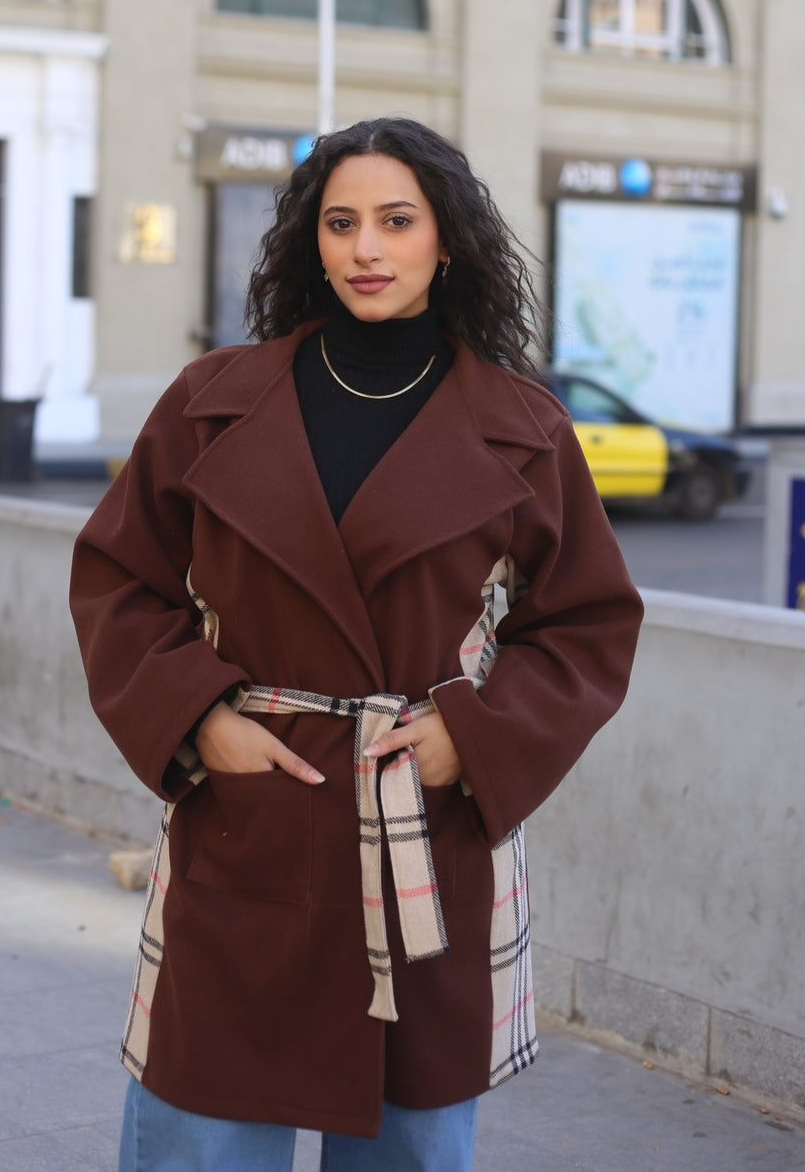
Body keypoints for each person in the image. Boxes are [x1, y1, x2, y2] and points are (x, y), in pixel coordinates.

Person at [69, 117, 643, 1172]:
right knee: (197, 1140)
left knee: (409, 1146)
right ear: (309, 243)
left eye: (395, 221)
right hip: (249, 819)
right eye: (339, 224)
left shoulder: (524, 428)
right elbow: (119, 577)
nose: (365, 250)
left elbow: (583, 625)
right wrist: (202, 719)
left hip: (422, 827)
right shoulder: (210, 404)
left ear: (448, 241)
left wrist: (470, 738)